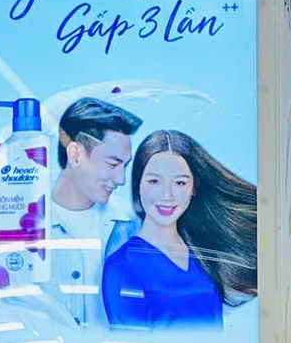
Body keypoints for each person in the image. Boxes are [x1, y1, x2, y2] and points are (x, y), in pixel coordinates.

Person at [102, 129, 258, 330]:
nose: (167, 195)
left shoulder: (204, 251)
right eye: (154, 181)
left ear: (194, 188)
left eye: (180, 182)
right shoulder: (121, 266)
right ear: (138, 184)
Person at [46, 96, 139, 326]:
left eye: (125, 166)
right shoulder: (22, 223)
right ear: (75, 155)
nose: (121, 179)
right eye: (112, 164)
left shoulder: (131, 225)